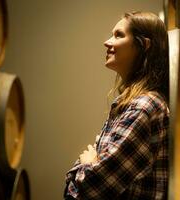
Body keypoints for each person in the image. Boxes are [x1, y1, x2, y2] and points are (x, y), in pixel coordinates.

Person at [64, 11, 169, 200]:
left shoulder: (144, 107)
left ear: (143, 45)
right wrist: (90, 164)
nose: (107, 42)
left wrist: (87, 163)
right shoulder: (131, 103)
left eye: (118, 35)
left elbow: (94, 185)